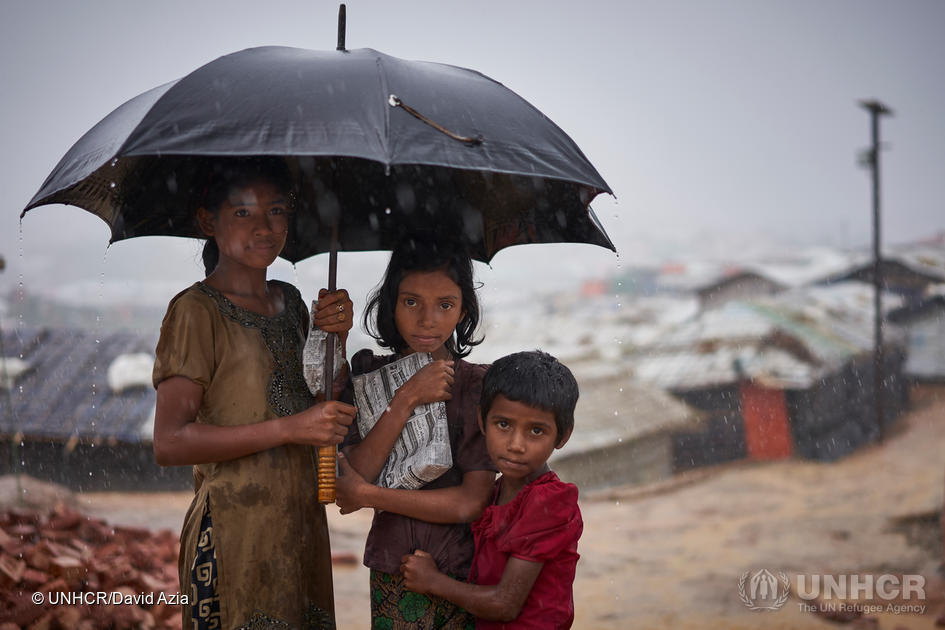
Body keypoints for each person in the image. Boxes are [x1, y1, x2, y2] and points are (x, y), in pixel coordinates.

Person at [151, 158, 357, 630]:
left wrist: (336, 338)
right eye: (243, 212)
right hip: (231, 534)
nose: (264, 227)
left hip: (300, 526)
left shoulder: (291, 305)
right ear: (208, 221)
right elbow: (170, 443)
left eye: (277, 210)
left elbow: (318, 405)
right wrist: (289, 429)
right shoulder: (195, 312)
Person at [335, 236, 496, 629]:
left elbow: (471, 503)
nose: (428, 319)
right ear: (391, 304)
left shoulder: (476, 386)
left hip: (461, 570)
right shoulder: (368, 374)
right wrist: (407, 396)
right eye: (411, 302)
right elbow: (357, 470)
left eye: (445, 305)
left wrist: (370, 496)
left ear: (462, 310)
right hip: (393, 567)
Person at [399, 350, 583, 630]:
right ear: (482, 421)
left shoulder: (549, 502)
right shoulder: (498, 492)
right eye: (504, 424)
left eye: (536, 431)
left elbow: (504, 604)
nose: (516, 444)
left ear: (563, 436)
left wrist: (433, 581)